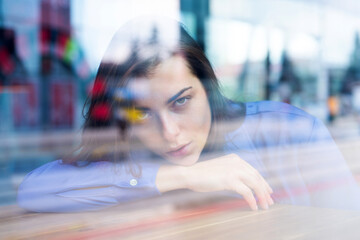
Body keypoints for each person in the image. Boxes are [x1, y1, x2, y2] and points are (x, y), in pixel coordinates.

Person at [17, 17, 360, 212]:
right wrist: (175, 176)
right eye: (141, 114)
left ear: (208, 87)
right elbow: (33, 190)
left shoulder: (290, 129)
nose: (169, 132)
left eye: (180, 102)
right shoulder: (132, 152)